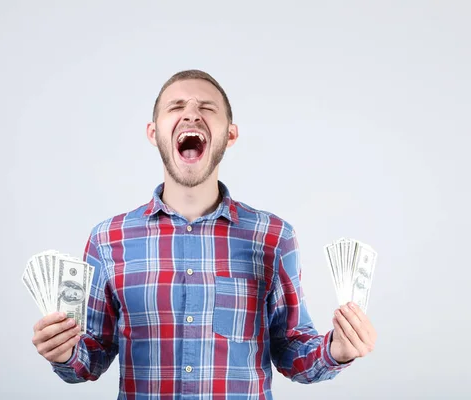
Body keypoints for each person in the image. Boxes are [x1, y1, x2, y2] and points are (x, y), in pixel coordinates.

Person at [31, 70, 377, 399]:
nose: (192, 115)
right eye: (176, 107)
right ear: (153, 133)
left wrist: (337, 350)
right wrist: (63, 353)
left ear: (230, 134)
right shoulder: (108, 239)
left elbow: (291, 351)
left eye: (207, 108)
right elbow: (89, 358)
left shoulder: (273, 236)